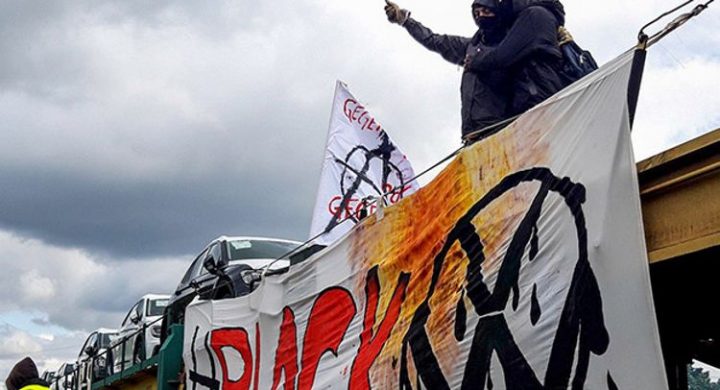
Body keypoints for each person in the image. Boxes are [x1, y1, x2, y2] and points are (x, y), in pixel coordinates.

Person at [384, 0, 570, 142]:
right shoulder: (472, 47)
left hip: (503, 130)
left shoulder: (513, 45)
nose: (481, 15)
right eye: (477, 12)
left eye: (487, 10)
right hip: (473, 136)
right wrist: (406, 21)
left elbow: (504, 59)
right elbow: (435, 40)